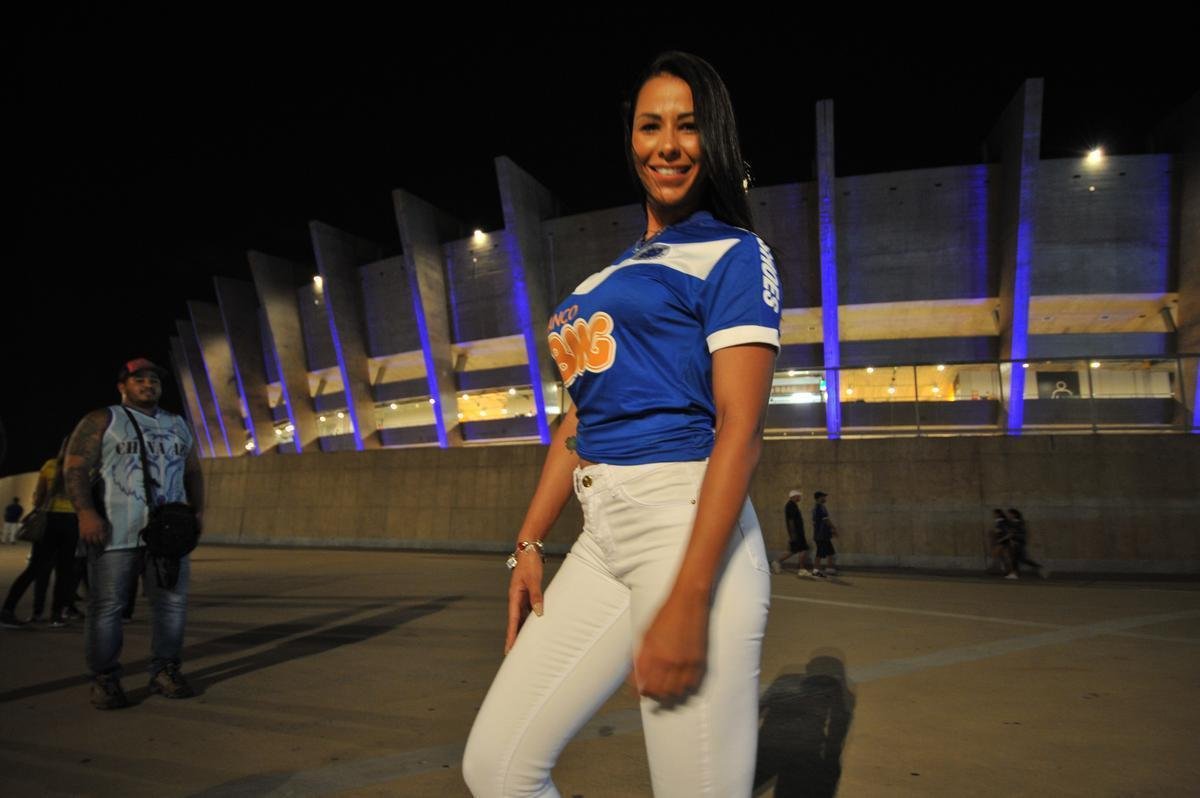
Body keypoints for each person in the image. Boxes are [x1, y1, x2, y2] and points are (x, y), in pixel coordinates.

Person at [463, 51, 780, 797]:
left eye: (689, 127)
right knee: (498, 768)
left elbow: (742, 429)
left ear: (716, 141)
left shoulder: (736, 255)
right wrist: (529, 543)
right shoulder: (597, 281)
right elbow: (575, 421)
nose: (667, 144)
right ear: (630, 139)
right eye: (650, 125)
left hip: (686, 521)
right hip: (600, 535)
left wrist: (689, 599)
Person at [63, 358, 204, 709]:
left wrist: (197, 512)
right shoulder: (103, 420)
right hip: (116, 531)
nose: (148, 384)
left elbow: (193, 471)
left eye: (154, 379)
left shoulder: (177, 424)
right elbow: (75, 467)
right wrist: (86, 513)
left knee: (171, 605)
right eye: (138, 379)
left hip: (168, 533)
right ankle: (105, 678)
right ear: (122, 386)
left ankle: (165, 670)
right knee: (107, 607)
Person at [0, 442, 80, 627]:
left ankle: (8, 610)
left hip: (49, 521)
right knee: (64, 571)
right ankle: (56, 615)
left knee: (34, 568)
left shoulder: (49, 465)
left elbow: (39, 497)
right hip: (70, 521)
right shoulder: (83, 467)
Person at [772, 489, 816, 577]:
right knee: (802, 549)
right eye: (798, 496)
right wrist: (793, 534)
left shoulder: (792, 505)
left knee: (793, 550)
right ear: (794, 497)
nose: (800, 497)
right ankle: (801, 569)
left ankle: (777, 562)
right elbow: (791, 521)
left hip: (797, 532)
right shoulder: (791, 506)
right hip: (796, 533)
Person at [1007, 508, 1047, 578]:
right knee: (1021, 559)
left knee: (1015, 559)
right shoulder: (1016, 522)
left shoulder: (1018, 522)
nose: (1009, 515)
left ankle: (1015, 574)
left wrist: (1013, 538)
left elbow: (1017, 533)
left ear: (1015, 514)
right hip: (1018, 542)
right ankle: (1038, 567)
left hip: (1018, 543)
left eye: (1010, 514)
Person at [812, 491, 837, 576]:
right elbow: (826, 520)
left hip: (823, 534)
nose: (825, 498)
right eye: (823, 497)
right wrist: (834, 528)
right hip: (821, 535)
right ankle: (815, 571)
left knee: (830, 551)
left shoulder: (818, 507)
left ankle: (829, 569)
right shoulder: (820, 508)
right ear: (819, 498)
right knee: (820, 553)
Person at [991, 508, 1015, 577]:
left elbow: (1008, 533)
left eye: (995, 514)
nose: (994, 515)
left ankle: (1010, 571)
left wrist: (1001, 538)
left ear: (998, 514)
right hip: (1002, 541)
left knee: (1004, 556)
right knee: (999, 555)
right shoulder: (1000, 521)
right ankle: (1005, 569)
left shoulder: (1002, 522)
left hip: (1003, 541)